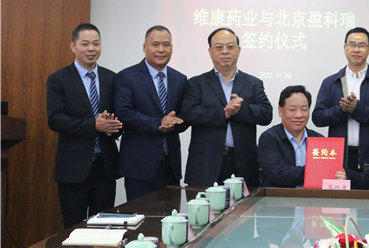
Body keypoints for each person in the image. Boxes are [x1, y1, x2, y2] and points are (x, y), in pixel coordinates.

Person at [46, 23, 123, 228]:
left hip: (105, 167)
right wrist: (93, 125)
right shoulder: (58, 79)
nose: (91, 49)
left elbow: (121, 117)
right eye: (85, 44)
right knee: (74, 228)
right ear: (73, 46)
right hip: (73, 168)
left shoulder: (112, 78)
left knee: (104, 228)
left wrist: (112, 126)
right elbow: (55, 119)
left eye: (96, 44)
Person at [182, 27, 272, 187]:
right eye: (219, 47)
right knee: (202, 203)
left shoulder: (253, 83)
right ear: (210, 52)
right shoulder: (196, 83)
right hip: (205, 162)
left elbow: (266, 114)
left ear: (238, 50)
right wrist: (224, 113)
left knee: (244, 204)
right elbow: (189, 113)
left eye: (230, 47)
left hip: (243, 162)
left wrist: (240, 110)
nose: (225, 51)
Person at [114, 25, 189, 201]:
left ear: (172, 48)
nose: (161, 49)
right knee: (141, 216)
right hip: (139, 167)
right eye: (155, 44)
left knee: (172, 217)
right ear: (144, 47)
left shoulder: (180, 79)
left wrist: (176, 122)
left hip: (171, 166)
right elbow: (124, 113)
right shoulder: (127, 77)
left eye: (166, 45)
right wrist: (159, 123)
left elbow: (184, 115)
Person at [312, 27, 369, 172]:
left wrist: (358, 109)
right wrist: (343, 109)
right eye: (352, 45)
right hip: (339, 155)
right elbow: (318, 118)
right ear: (345, 48)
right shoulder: (331, 82)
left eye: (361, 45)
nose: (356, 49)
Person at [257, 85, 324, 188]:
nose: (299, 115)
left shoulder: (319, 139)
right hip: (279, 197)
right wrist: (315, 172)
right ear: (280, 111)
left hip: (313, 197)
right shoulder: (269, 138)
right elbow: (277, 174)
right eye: (292, 109)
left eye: (304, 109)